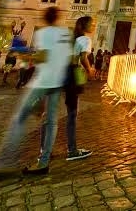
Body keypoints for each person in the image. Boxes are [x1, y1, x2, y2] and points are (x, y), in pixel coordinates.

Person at [0, 6, 72, 177]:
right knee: (51, 122)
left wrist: (24, 55)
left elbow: (44, 56)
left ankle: (6, 161)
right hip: (57, 82)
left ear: (46, 17)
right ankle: (44, 161)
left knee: (19, 118)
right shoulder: (66, 33)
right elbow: (68, 58)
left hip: (42, 81)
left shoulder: (44, 33)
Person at [43, 16, 94, 162]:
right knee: (71, 114)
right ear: (84, 26)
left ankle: (45, 150)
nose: (94, 26)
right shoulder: (85, 40)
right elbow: (83, 58)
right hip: (71, 74)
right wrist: (89, 69)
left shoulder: (69, 38)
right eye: (92, 24)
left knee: (50, 114)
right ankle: (72, 150)